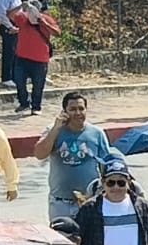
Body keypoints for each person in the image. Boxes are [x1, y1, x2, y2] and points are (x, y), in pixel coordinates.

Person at [32, 92, 112, 222]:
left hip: (89, 201)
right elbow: (40, 155)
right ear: (64, 111)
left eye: (81, 109)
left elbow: (106, 165)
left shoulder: (97, 133)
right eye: (73, 109)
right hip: (60, 203)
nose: (78, 113)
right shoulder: (53, 130)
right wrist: (55, 129)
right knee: (62, 240)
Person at [10, 0, 56, 114]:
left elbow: (57, 32)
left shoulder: (46, 19)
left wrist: (44, 23)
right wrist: (21, 6)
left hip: (40, 59)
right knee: (19, 82)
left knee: (38, 84)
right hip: (21, 57)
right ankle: (24, 103)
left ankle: (36, 107)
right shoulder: (23, 18)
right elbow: (10, 14)